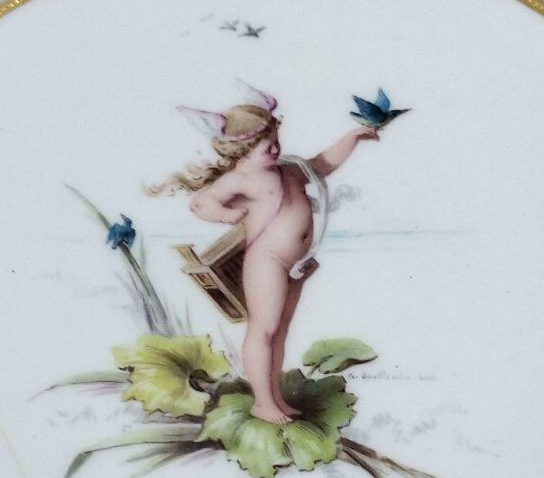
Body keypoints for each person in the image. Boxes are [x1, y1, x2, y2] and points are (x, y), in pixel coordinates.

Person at [149, 85, 378, 423]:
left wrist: (352, 138)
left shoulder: (287, 169)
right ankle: (262, 403)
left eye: (275, 140)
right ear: (239, 151)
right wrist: (225, 215)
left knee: (280, 330)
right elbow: (201, 203)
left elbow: (321, 165)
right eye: (265, 145)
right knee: (264, 329)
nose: (275, 147)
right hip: (266, 262)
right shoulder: (240, 180)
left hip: (296, 263)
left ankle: (274, 398)